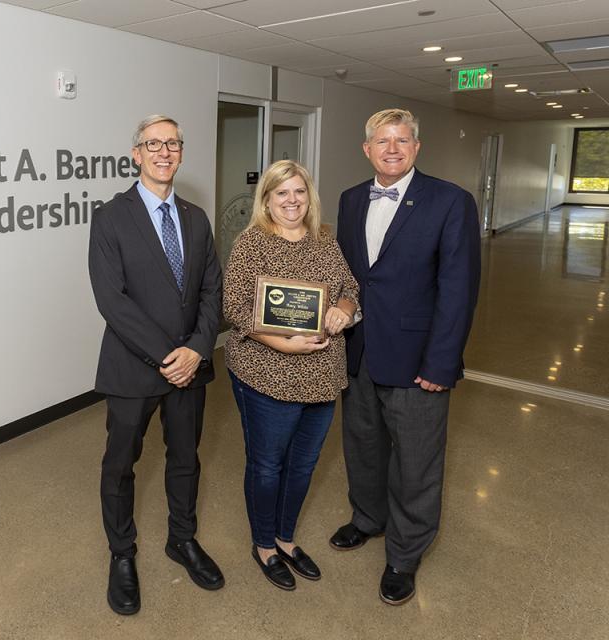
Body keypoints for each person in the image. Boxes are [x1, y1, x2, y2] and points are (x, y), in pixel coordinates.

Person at [332, 108, 481, 605]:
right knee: (363, 446)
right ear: (366, 149)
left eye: (402, 140)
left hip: (419, 360)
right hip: (359, 353)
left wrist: (441, 363)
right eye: (382, 140)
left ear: (417, 148)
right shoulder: (351, 200)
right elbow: (351, 278)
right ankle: (368, 519)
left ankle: (404, 552)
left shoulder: (450, 202)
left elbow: (457, 291)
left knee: (416, 462)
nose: (391, 148)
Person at [88, 115, 224, 616]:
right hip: (133, 369)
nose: (163, 151)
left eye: (172, 143)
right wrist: (169, 356)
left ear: (181, 153)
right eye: (153, 144)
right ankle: (122, 553)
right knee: (121, 465)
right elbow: (112, 300)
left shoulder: (196, 218)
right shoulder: (110, 218)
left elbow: (213, 290)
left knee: (186, 458)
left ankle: (182, 540)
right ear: (136, 154)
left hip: (191, 367)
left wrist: (197, 349)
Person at [224, 160, 359, 591]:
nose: (292, 201)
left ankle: (286, 538)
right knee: (267, 466)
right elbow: (235, 308)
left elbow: (349, 287)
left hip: (321, 373)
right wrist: (280, 342)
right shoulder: (252, 244)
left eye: (299, 191)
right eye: (281, 193)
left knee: (302, 465)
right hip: (266, 374)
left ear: (309, 196)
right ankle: (264, 546)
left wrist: (344, 309)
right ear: (266, 199)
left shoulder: (324, 239)